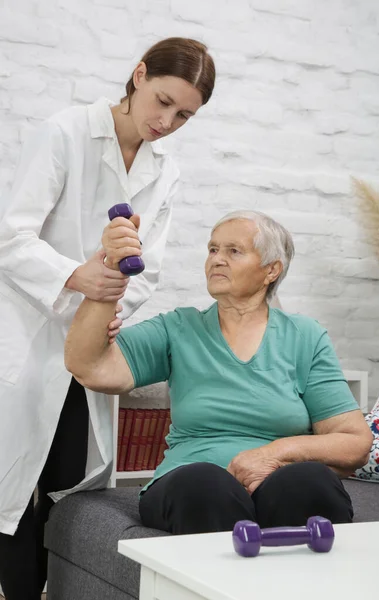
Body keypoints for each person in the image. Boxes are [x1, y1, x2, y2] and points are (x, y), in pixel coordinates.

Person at [0, 37, 215, 600]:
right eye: (163, 101)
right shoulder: (66, 132)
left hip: (86, 345)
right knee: (12, 489)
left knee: (63, 479)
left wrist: (108, 308)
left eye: (184, 115)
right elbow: (11, 237)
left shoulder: (165, 168)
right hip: (27, 336)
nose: (167, 121)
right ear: (139, 75)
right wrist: (78, 278)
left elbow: (151, 268)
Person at [65, 209, 373, 535]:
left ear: (271, 270)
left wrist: (273, 453)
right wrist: (112, 267)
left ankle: (291, 582)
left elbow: (354, 443)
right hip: (192, 482)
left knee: (310, 481)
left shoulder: (305, 337)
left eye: (233, 251)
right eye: (212, 249)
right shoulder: (179, 328)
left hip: (277, 482)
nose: (216, 260)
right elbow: (90, 366)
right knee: (205, 484)